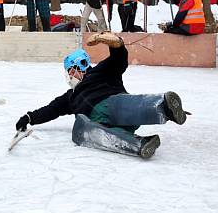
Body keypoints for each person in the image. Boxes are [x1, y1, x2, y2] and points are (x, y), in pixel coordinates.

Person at [14, 31, 189, 159]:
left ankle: (165, 107)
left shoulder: (99, 72)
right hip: (101, 123)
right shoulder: (70, 97)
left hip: (116, 105)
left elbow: (118, 61)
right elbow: (50, 109)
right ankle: (139, 144)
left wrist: (116, 44)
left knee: (120, 105)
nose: (69, 76)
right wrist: (29, 118)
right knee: (81, 128)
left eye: (70, 71)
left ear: (78, 68)